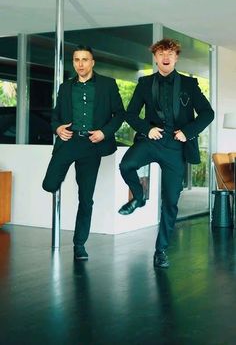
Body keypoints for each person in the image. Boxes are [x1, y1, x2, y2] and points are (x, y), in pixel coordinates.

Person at [118, 38, 214, 268]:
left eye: (170, 53)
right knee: (126, 165)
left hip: (175, 147)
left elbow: (207, 113)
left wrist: (188, 132)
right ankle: (139, 197)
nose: (166, 57)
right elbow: (130, 115)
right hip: (153, 139)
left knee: (170, 201)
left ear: (176, 57)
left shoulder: (190, 85)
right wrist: (147, 129)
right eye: (161, 53)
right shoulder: (144, 83)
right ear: (155, 57)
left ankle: (160, 250)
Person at [43, 45, 125, 260]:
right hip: (68, 142)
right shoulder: (66, 87)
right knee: (49, 184)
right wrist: (58, 128)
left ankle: (79, 244)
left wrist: (104, 133)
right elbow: (55, 115)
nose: (80, 64)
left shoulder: (108, 84)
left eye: (85, 59)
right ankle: (54, 182)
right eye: (77, 60)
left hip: (92, 145)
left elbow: (119, 114)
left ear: (92, 62)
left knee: (86, 198)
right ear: (73, 63)